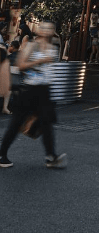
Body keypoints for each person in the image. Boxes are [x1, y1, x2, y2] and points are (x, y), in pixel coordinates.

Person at [0, 21, 67, 169]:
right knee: (16, 123)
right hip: (30, 89)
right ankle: (2, 154)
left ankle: (51, 157)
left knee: (47, 124)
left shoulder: (52, 48)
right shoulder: (32, 45)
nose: (47, 30)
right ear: (39, 30)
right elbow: (20, 65)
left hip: (44, 90)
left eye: (50, 28)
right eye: (44, 27)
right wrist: (40, 61)